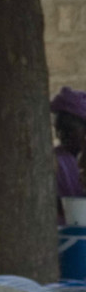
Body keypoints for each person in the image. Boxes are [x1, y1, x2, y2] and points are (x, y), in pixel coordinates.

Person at [52, 87, 86, 216]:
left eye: (69, 130)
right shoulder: (54, 159)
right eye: (58, 130)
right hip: (66, 228)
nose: (62, 135)